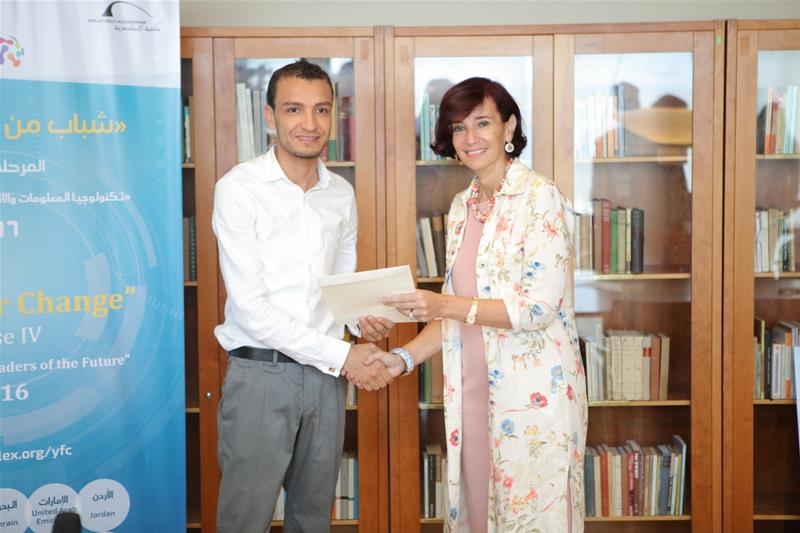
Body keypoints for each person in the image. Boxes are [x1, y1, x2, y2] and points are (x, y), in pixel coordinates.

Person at [371, 77, 588, 532]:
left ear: (509, 127)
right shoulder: (461, 207)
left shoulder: (541, 197)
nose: (470, 137)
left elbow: (537, 308)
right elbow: (453, 313)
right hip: (469, 395)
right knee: (479, 518)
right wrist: (402, 358)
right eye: (458, 128)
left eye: (482, 123)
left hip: (530, 400)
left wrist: (443, 303)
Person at [212, 58, 394, 533]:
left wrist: (362, 321)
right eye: (294, 109)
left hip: (326, 380)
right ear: (270, 116)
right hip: (261, 375)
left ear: (333, 115)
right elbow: (252, 309)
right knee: (244, 521)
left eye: (321, 110)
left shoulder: (341, 194)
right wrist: (345, 355)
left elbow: (341, 287)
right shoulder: (239, 190)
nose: (310, 124)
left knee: (313, 520)